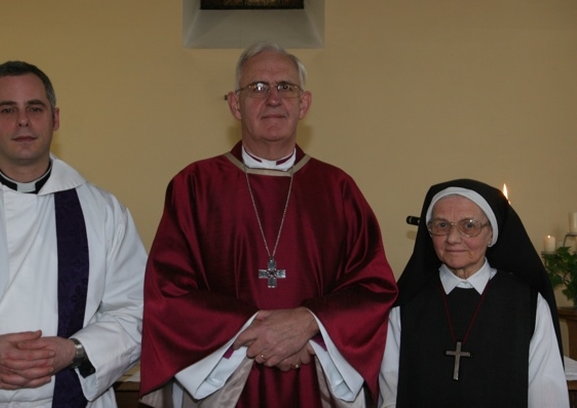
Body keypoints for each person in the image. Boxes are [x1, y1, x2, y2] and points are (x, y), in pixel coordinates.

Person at [139, 41, 398, 407]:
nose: (273, 98)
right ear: (234, 104)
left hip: (315, 379)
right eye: (257, 87)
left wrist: (310, 322)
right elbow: (167, 291)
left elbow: (373, 288)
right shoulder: (195, 185)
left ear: (303, 104)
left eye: (285, 87)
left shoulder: (337, 189)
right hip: (224, 382)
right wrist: (255, 331)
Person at [0, 61, 147, 406]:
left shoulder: (104, 212)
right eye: (7, 110)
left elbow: (136, 310)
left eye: (35, 108)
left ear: (55, 118)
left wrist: (73, 350)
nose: (23, 121)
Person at [378, 178, 569, 407]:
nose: (452, 238)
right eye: (441, 225)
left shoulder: (528, 304)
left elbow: (547, 395)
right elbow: (389, 394)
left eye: (469, 225)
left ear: (491, 235)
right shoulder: (406, 303)